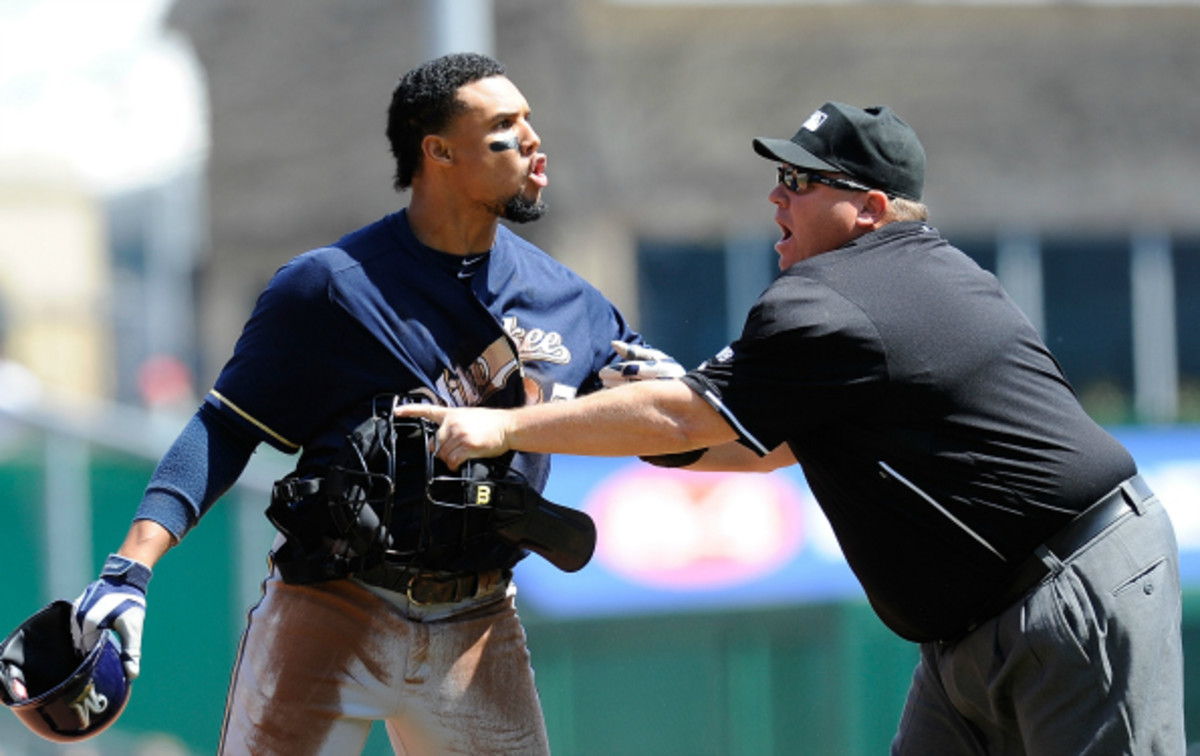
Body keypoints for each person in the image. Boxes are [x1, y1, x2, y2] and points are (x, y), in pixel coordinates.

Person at [398, 102, 1186, 753]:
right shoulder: (904, 278)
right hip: (976, 624)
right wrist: (639, 422)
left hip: (1068, 586)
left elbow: (688, 415)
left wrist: (505, 428)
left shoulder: (836, 295)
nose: (778, 197)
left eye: (803, 182)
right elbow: (760, 447)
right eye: (781, 177)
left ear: (870, 210)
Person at [67, 52, 666, 755]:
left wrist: (715, 403)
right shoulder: (331, 287)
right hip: (330, 610)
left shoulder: (575, 304)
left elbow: (671, 428)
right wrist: (130, 569)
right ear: (436, 151)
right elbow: (224, 429)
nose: (533, 140)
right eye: (505, 125)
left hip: (478, 624)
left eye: (529, 120)